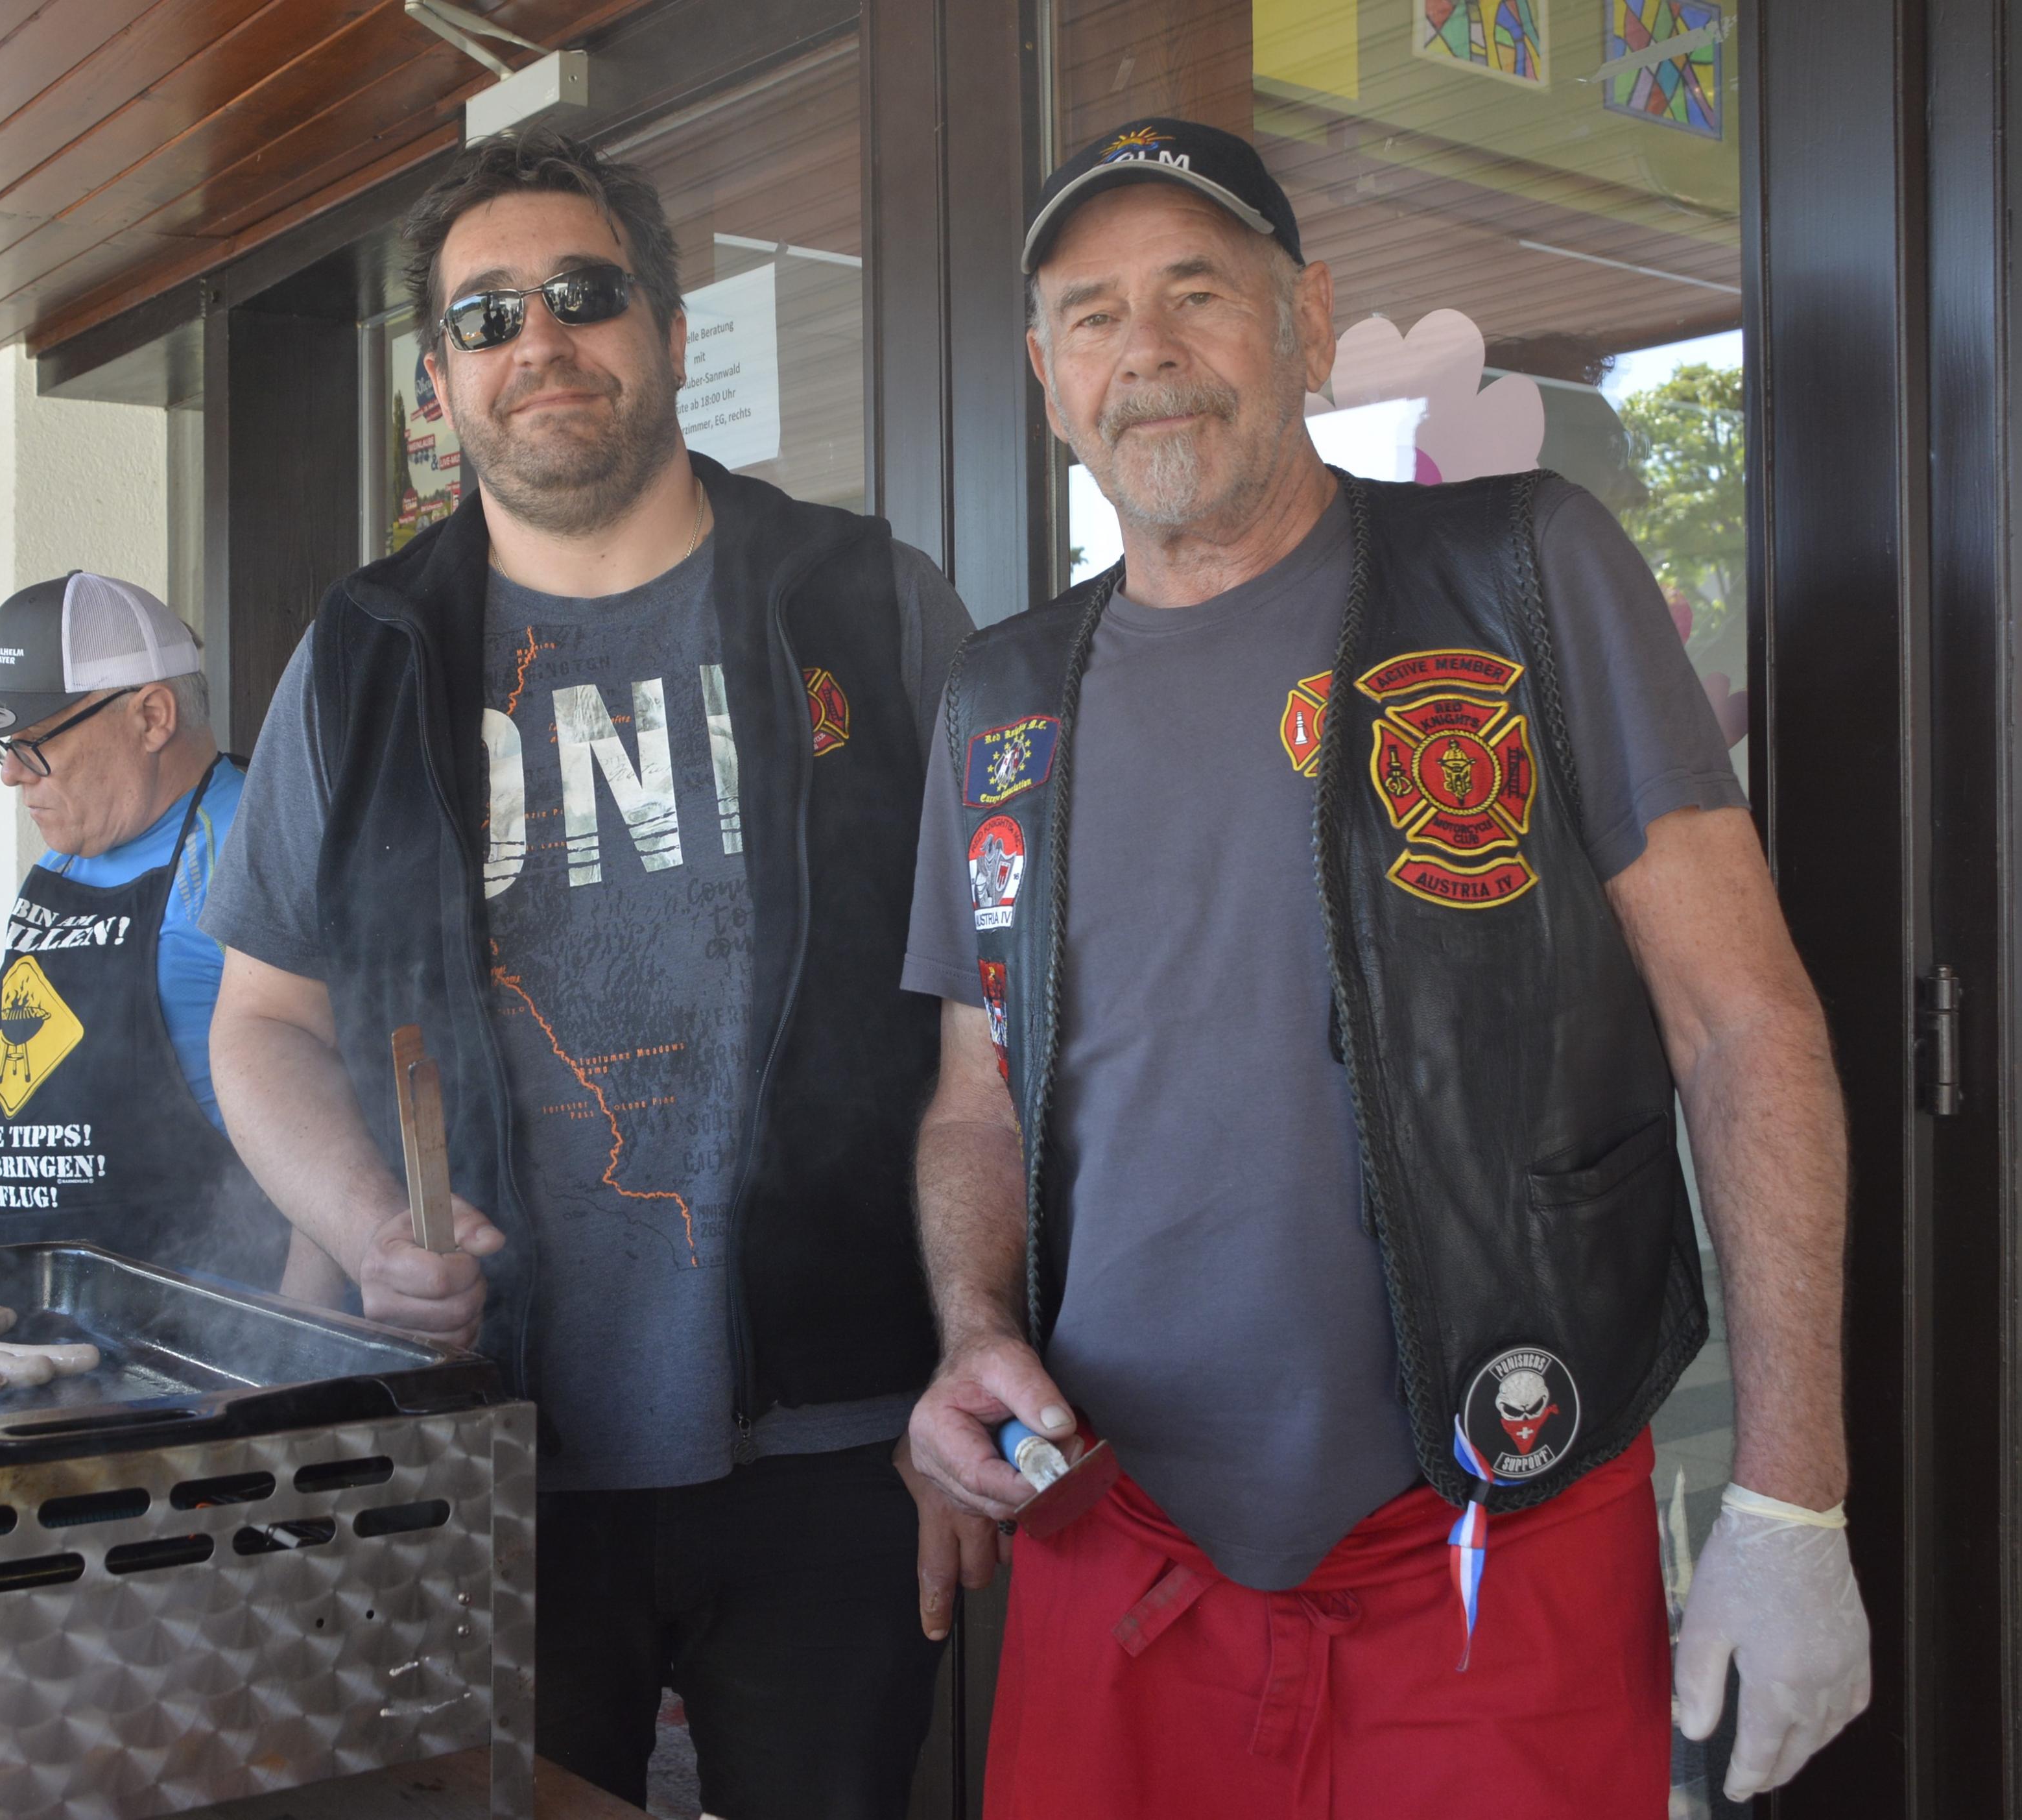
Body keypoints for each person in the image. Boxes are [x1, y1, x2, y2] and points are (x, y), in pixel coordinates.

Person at [901, 119, 1871, 1816]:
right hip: (1118, 1546)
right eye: (1092, 315)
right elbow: (975, 1101)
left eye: (1198, 291)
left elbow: (1739, 1023)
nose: (1146, 350)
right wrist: (971, 1330)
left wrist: (1790, 1495)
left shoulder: (1520, 572)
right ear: (1050, 380)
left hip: (1495, 1524)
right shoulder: (1001, 698)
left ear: (1305, 322)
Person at [198, 126, 984, 1819]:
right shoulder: (362, 654)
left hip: (845, 1439)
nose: (538, 338)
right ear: (438, 384)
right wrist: (365, 1225)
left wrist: (976, 1351)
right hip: (490, 1447)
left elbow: (1001, 1020)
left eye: (583, 293)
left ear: (671, 331)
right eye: (486, 316)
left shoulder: (871, 603)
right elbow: (261, 1022)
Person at [0, 572, 289, 1288]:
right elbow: (37, 1106)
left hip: (206, 1327)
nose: (12, 775)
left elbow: (344, 1115)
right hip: (52, 1320)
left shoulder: (253, 852)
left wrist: (297, 1336)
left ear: (152, 717)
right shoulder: (62, 865)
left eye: (36, 741)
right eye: (5, 745)